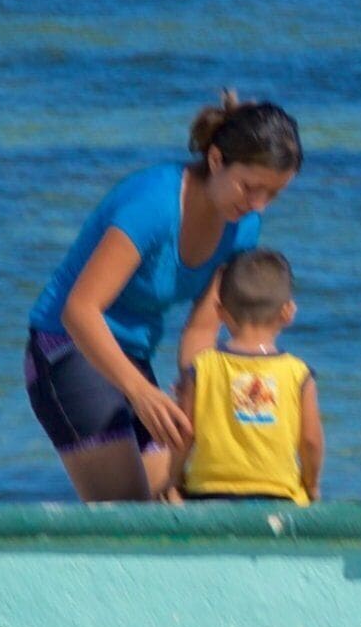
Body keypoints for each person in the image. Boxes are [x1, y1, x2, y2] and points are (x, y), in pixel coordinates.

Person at [24, 97, 302, 501]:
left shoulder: (244, 226)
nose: (257, 204)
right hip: (63, 347)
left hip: (132, 356)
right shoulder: (153, 204)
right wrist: (140, 393)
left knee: (174, 496)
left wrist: (200, 398)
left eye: (272, 195)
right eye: (250, 187)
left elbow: (202, 329)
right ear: (217, 159)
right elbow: (79, 311)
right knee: (129, 506)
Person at [176, 249, 323, 505]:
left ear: (220, 312)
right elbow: (310, 441)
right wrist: (311, 485)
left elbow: (184, 435)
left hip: (208, 493)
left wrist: (173, 480)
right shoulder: (298, 374)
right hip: (278, 494)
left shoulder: (201, 368)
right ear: (287, 312)